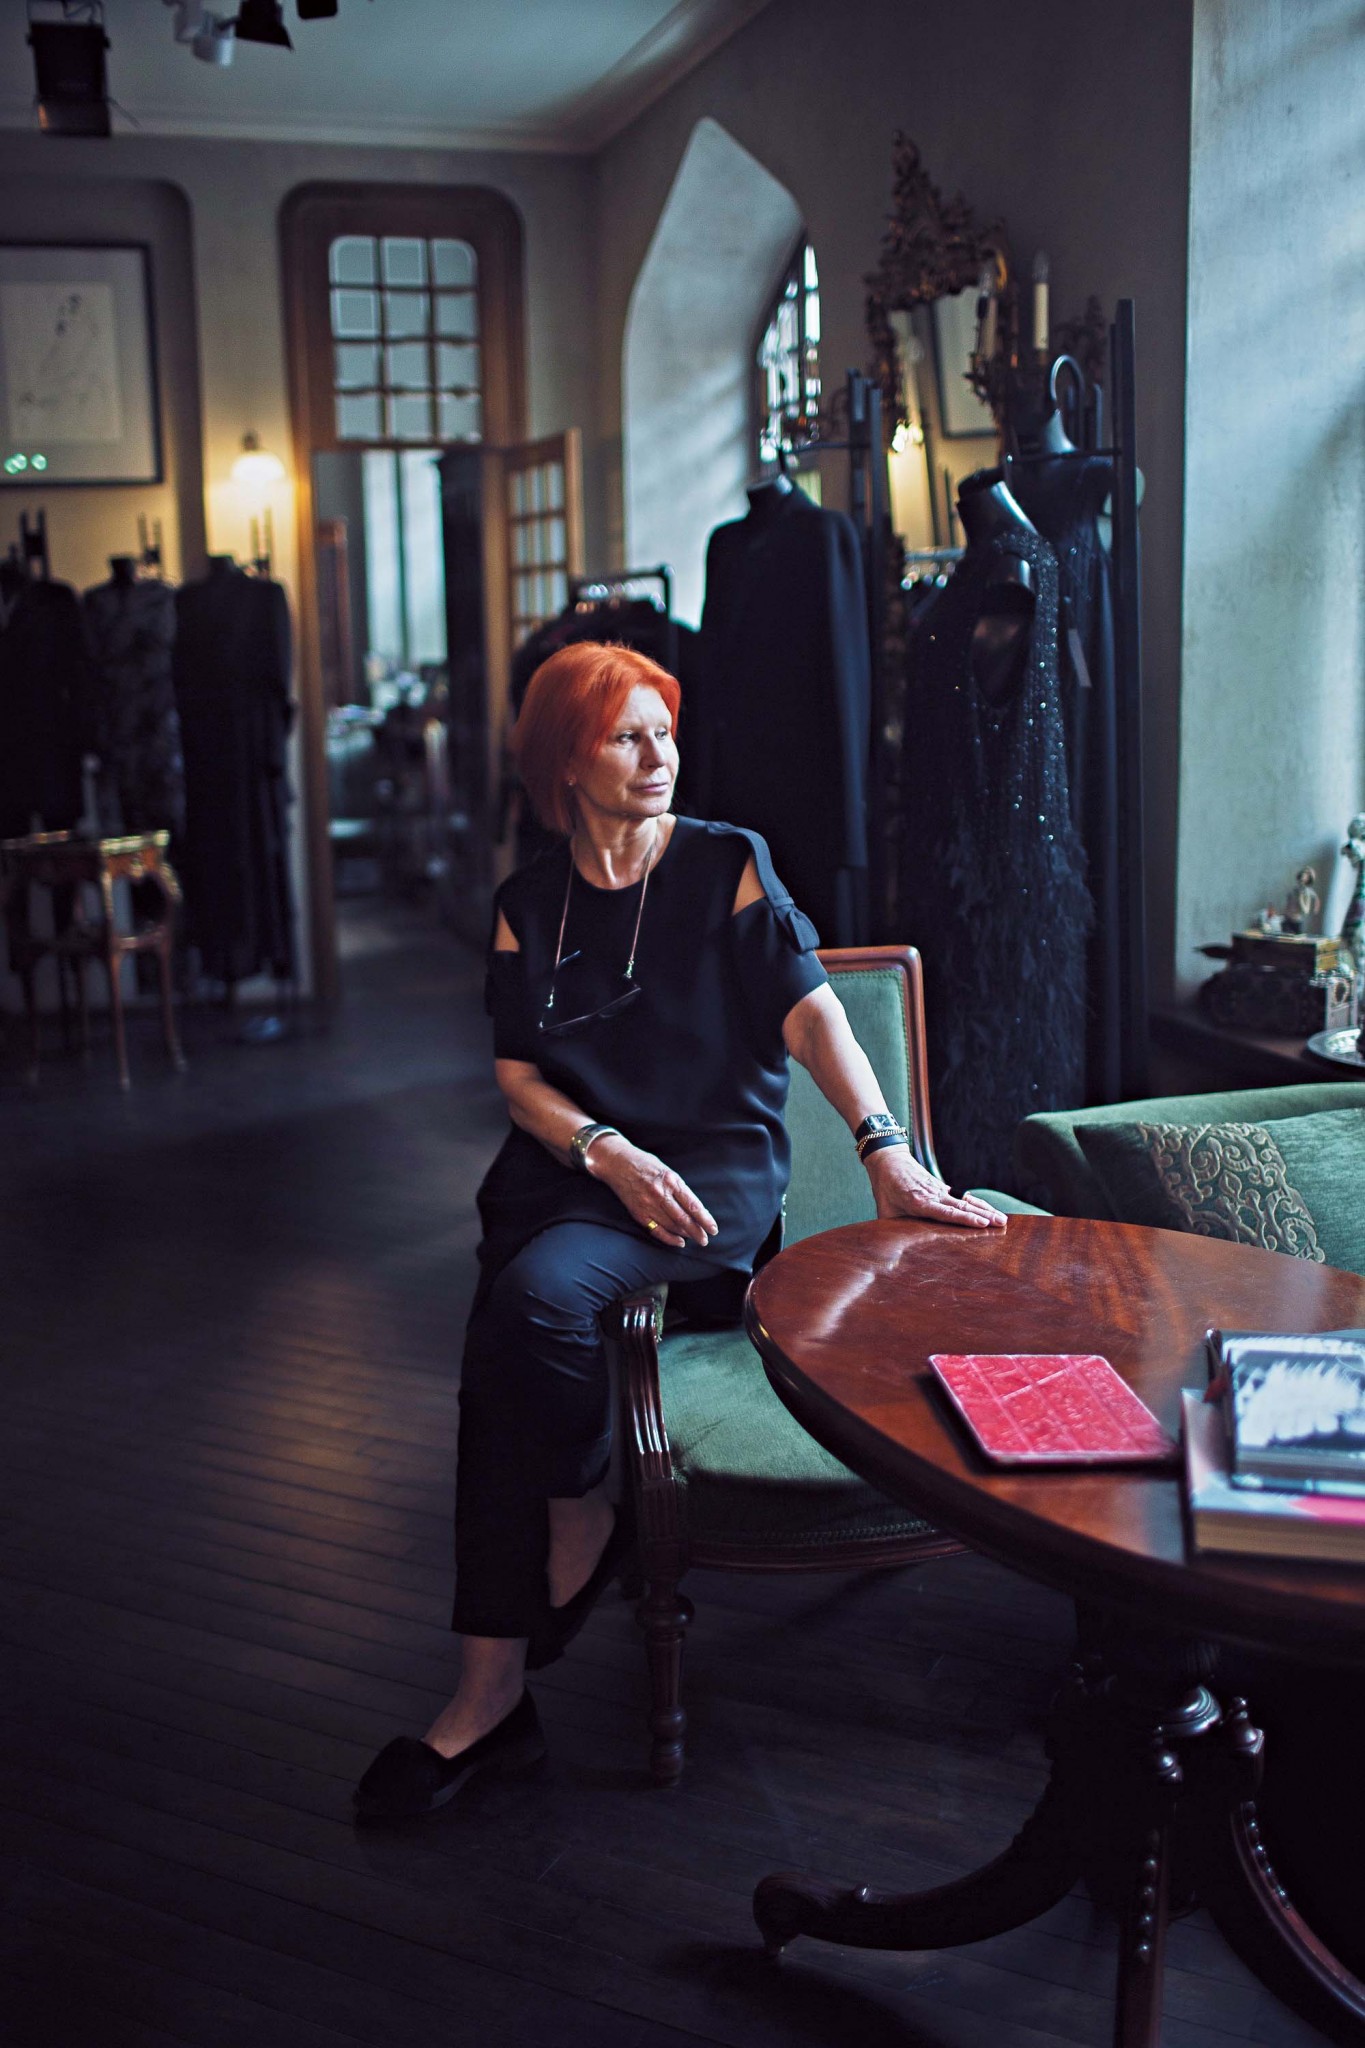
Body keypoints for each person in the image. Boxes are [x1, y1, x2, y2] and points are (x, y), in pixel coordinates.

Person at [355, 642, 1005, 1821]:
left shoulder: (726, 863)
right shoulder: (526, 904)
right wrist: (603, 1146)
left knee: (536, 1298)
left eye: (664, 730)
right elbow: (518, 1075)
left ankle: (579, 1512)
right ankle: (488, 1694)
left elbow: (814, 1017)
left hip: (707, 1181)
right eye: (627, 736)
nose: (659, 755)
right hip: (576, 1170)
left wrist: (884, 1145)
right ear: (566, 760)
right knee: (499, 1359)